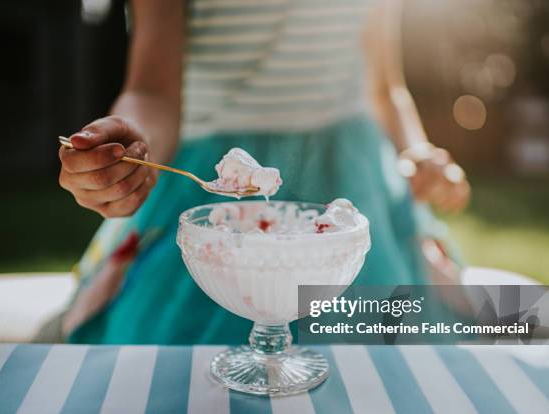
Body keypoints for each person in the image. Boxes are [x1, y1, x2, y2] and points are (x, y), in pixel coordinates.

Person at [54, 0, 470, 344]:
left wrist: (418, 152)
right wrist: (131, 146)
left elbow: (385, 88)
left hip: (349, 174)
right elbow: (151, 92)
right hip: (206, 184)